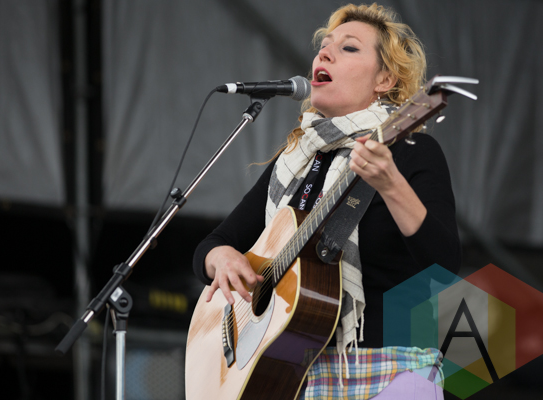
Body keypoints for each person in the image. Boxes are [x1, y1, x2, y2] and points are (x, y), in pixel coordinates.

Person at [192, 3, 460, 399]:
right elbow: (212, 246)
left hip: (393, 374)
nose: (325, 53)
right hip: (301, 379)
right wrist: (223, 259)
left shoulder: (410, 151)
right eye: (323, 46)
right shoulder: (295, 161)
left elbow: (444, 267)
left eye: (348, 47)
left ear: (384, 79)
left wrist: (391, 185)